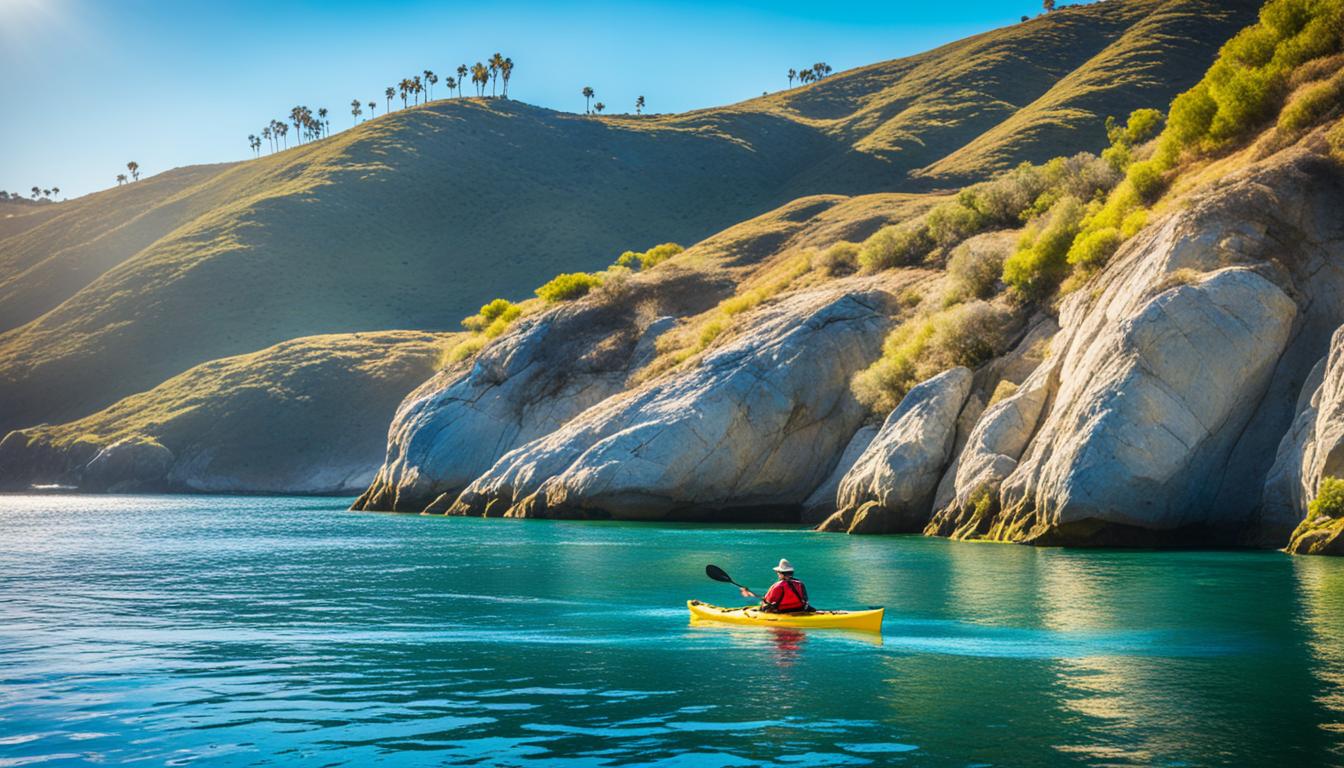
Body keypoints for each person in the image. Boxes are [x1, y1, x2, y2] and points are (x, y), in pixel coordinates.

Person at [740, 558, 810, 613]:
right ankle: (747, 593)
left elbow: (768, 602)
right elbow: (805, 600)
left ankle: (746, 592)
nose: (777, 574)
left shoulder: (777, 586)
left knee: (757, 601)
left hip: (782, 611)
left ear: (781, 574)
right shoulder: (800, 583)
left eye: (778, 573)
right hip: (799, 608)